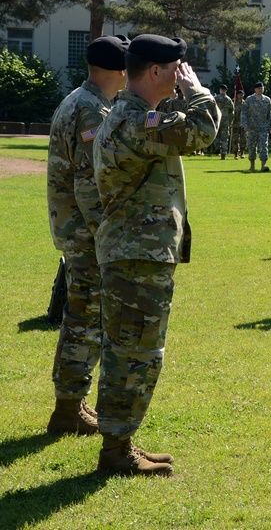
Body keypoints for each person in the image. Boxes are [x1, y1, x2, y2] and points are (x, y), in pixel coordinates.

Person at [92, 34, 220, 475]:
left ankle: (120, 442)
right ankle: (116, 451)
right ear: (154, 72)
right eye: (175, 68)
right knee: (135, 354)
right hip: (135, 254)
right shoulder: (133, 122)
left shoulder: (135, 115)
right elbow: (202, 129)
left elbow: (173, 125)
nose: (181, 74)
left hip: (136, 252)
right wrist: (197, 91)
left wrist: (182, 96)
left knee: (129, 351)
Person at [45, 34, 129, 437]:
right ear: (119, 71)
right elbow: (88, 185)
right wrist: (107, 235)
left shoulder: (80, 100)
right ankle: (67, 407)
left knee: (82, 315)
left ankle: (71, 402)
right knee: (85, 319)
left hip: (74, 229)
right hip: (86, 234)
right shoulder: (92, 110)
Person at [241, 81, 271, 172]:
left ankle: (263, 165)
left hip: (263, 127)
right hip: (252, 127)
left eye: (262, 88)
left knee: (263, 146)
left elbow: (270, 114)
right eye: (258, 88)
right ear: (255, 89)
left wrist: (270, 127)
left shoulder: (267, 100)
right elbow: (244, 113)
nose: (260, 89)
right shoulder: (249, 99)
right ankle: (252, 165)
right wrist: (245, 125)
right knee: (251, 146)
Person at [212, 84, 234, 160]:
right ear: (226, 91)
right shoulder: (229, 100)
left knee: (215, 135)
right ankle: (223, 154)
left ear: (220, 90)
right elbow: (232, 112)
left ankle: (217, 145)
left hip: (217, 119)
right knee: (225, 138)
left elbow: (211, 109)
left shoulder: (215, 99)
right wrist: (230, 121)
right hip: (225, 120)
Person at [232, 89, 247, 159]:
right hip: (235, 124)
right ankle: (235, 153)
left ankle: (242, 152)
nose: (240, 96)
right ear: (237, 95)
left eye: (242, 95)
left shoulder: (245, 103)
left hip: (243, 124)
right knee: (235, 139)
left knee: (243, 139)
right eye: (239, 95)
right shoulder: (234, 103)